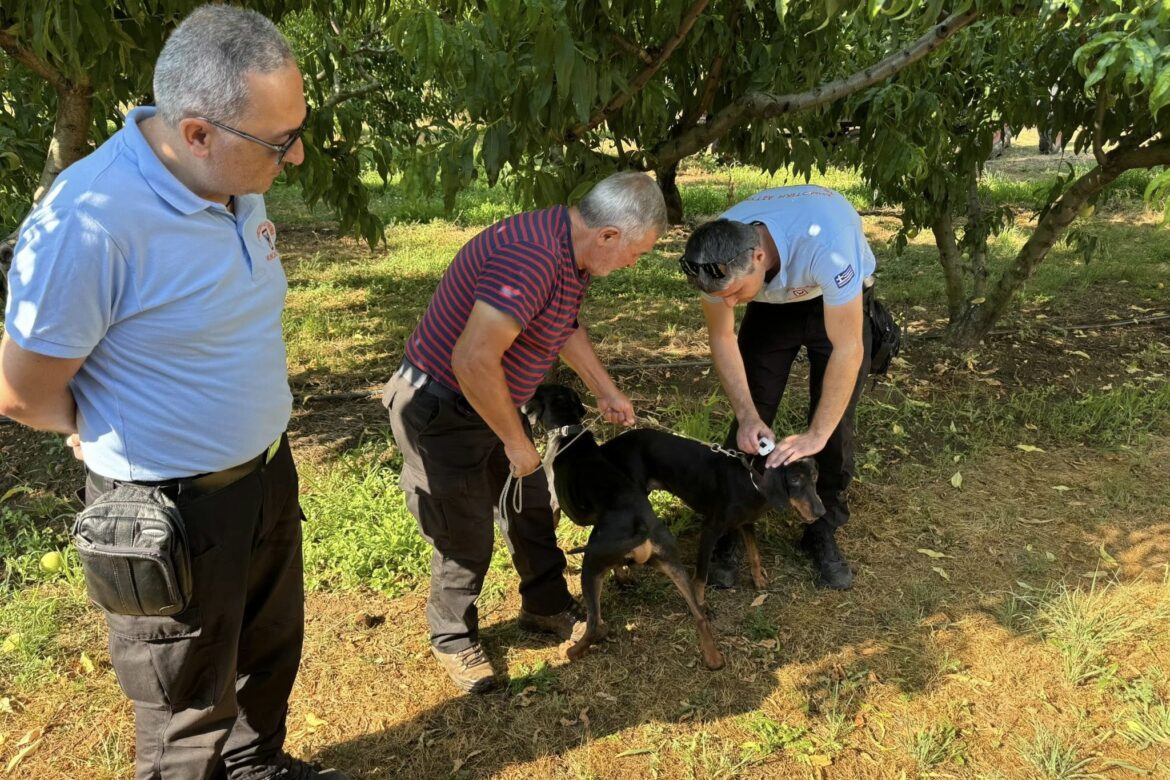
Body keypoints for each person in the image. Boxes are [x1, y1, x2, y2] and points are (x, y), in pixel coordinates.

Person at [0, 6, 345, 779]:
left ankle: (259, 768)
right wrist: (89, 429)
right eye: (279, 141)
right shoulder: (90, 223)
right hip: (170, 509)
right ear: (196, 133)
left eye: (296, 130)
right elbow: (19, 391)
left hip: (260, 475)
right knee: (185, 704)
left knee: (267, 649)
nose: (293, 161)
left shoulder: (230, 177)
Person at [384, 171, 666, 693]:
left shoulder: (572, 251)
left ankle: (546, 604)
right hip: (442, 407)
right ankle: (452, 638)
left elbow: (564, 327)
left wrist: (604, 388)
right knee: (462, 529)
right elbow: (471, 360)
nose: (633, 263)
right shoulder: (532, 257)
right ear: (608, 236)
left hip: (491, 401)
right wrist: (516, 441)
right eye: (636, 253)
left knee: (529, 504)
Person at [677, 184, 876, 591]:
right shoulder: (717, 261)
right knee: (750, 421)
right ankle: (730, 523)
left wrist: (816, 434)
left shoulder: (829, 244)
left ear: (759, 256)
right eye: (720, 296)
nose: (727, 304)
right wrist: (748, 415)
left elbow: (847, 347)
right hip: (771, 305)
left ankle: (822, 527)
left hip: (835, 302)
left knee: (834, 424)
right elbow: (722, 338)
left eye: (734, 294)